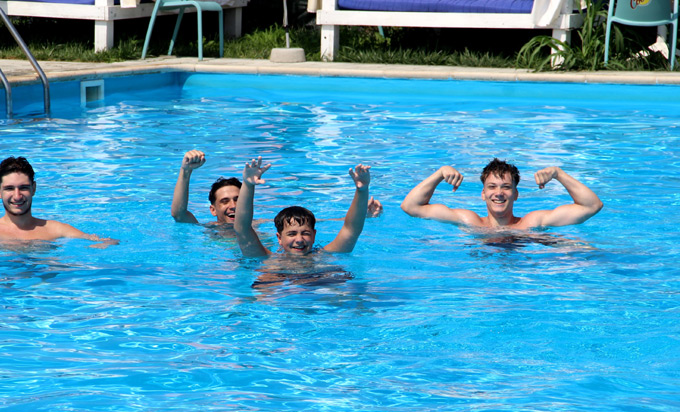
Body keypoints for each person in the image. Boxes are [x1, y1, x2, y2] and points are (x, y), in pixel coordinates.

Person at [171, 149, 383, 225]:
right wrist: (185, 171)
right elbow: (179, 214)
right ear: (213, 209)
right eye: (224, 201)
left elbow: (318, 223)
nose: (233, 205)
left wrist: (363, 215)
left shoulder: (259, 225)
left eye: (237, 199)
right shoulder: (208, 230)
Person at [0, 157, 117, 247]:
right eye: (9, 188)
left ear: (34, 188)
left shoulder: (55, 230)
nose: (17, 196)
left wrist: (99, 247)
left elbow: (108, 241)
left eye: (23, 188)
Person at [401, 158, 603, 229]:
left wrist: (559, 174)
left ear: (516, 194)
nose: (498, 193)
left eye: (506, 187)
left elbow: (592, 206)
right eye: (492, 187)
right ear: (483, 194)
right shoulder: (469, 221)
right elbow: (410, 207)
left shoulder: (531, 223)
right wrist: (439, 173)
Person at [234, 156, 373, 258]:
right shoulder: (268, 260)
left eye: (305, 233)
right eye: (292, 234)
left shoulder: (325, 257)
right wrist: (248, 185)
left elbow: (351, 229)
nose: (299, 240)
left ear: (314, 235)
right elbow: (242, 229)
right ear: (279, 238)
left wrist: (362, 190)